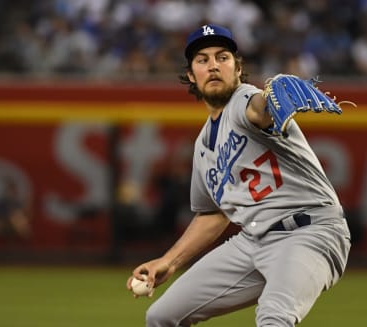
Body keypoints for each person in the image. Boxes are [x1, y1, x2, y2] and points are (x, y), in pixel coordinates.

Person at [127, 23, 351, 327]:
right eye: (203, 60)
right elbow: (212, 215)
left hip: (308, 232)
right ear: (192, 76)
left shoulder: (245, 100)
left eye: (223, 57)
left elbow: (260, 110)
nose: (214, 65)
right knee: (161, 316)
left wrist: (272, 97)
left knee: (274, 318)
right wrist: (169, 262)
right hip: (253, 240)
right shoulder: (203, 147)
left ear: (238, 67)